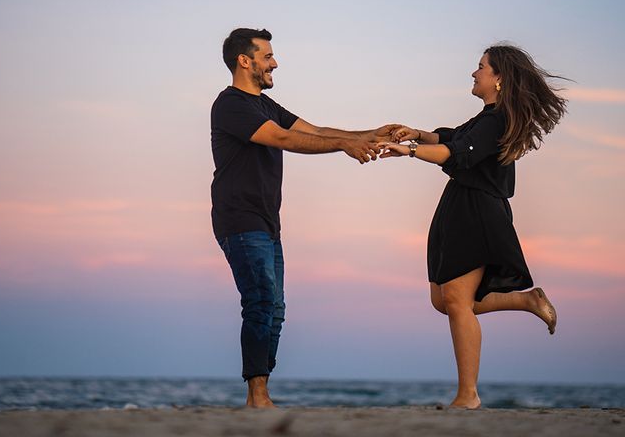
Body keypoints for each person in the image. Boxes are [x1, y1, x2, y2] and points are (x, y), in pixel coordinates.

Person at [210, 28, 400, 408]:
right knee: (261, 301)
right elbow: (283, 140)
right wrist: (346, 145)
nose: (274, 62)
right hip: (240, 218)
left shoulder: (265, 105)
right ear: (244, 61)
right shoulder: (230, 104)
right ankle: (257, 395)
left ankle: (259, 393)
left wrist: (367, 134)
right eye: (266, 56)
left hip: (266, 221)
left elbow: (314, 131)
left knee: (276, 309)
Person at [379, 44, 567, 409]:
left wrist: (410, 151)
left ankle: (468, 396)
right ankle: (527, 299)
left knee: (457, 302)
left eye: (481, 67)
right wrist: (415, 133)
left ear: (498, 78)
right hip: (459, 206)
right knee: (443, 300)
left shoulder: (497, 120)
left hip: (478, 210)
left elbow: (458, 154)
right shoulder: (486, 116)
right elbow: (451, 138)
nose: (474, 72)